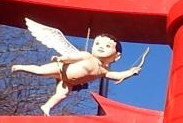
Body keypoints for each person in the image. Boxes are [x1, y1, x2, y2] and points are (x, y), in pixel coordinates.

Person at [12, 32, 141, 115]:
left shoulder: (103, 71)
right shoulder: (86, 56)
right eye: (97, 43)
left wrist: (130, 72)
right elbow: (72, 57)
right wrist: (61, 59)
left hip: (68, 82)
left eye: (107, 46)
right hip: (61, 69)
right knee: (40, 71)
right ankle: (20, 67)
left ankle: (47, 106)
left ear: (117, 56)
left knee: (62, 95)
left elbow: (117, 76)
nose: (101, 47)